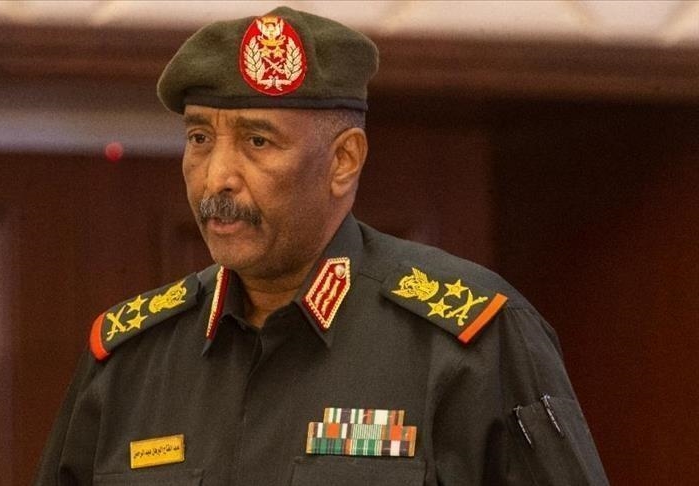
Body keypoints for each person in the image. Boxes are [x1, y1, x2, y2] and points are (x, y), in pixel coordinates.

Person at [34, 6, 608, 485]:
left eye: (258, 141)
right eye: (200, 138)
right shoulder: (130, 360)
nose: (216, 179)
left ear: (343, 161)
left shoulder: (469, 341)